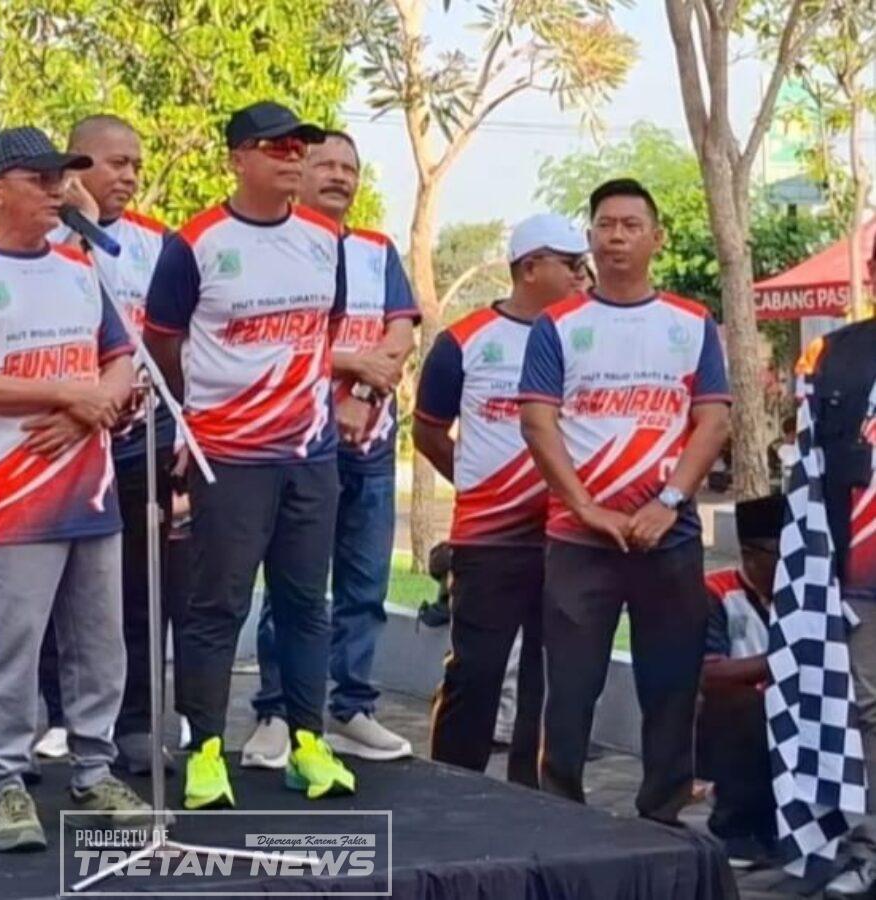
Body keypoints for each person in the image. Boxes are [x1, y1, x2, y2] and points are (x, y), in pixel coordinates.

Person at [0, 125, 150, 853]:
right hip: (11, 496)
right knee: (11, 647)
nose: (59, 190)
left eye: (63, 177)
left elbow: (120, 358)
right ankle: (4, 779)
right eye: (42, 178)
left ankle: (94, 770)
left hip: (90, 489)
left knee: (100, 641)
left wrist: (92, 404)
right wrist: (67, 395)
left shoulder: (81, 269)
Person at [144, 100, 356, 809]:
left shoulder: (325, 238)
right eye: (276, 147)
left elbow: (326, 329)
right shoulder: (195, 243)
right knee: (218, 604)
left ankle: (308, 742)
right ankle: (205, 750)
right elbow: (163, 340)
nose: (293, 157)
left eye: (300, 146)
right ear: (237, 159)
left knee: (306, 602)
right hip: (227, 457)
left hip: (310, 453)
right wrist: (197, 417)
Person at [518, 178, 732, 824]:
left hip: (668, 537)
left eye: (631, 225)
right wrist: (585, 507)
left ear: (656, 238)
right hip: (579, 541)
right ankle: (562, 816)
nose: (617, 237)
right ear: (589, 237)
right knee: (570, 688)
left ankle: (662, 816)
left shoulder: (691, 323)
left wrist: (669, 501)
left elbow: (714, 420)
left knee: (671, 687)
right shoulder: (558, 326)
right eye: (605, 225)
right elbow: (537, 422)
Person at [244, 130, 417, 766]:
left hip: (369, 441)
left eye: (350, 167)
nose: (340, 176)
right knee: (293, 585)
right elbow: (270, 340)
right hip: (294, 438)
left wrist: (364, 392)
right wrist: (348, 365)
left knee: (364, 583)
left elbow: (400, 333)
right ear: (301, 172)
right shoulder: (273, 247)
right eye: (327, 165)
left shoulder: (377, 250)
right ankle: (278, 712)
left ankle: (352, 709)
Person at [414, 213, 588, 788]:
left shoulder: (582, 337)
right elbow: (428, 431)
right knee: (477, 669)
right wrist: (480, 486)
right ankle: (453, 785)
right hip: (488, 538)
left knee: (550, 673)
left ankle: (533, 792)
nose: (582, 276)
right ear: (530, 267)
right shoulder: (463, 342)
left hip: (566, 533)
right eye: (571, 264)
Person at [53, 113, 179, 773]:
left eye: (136, 165)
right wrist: (76, 225)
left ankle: (133, 724)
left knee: (136, 591)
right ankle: (54, 717)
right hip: (57, 443)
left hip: (138, 443)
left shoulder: (160, 245)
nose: (129, 176)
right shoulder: (39, 241)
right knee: (49, 588)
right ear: (74, 168)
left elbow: (176, 340)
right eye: (115, 163)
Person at [805, 236, 876, 899]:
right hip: (859, 563)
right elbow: (810, 460)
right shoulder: (838, 352)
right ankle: (867, 848)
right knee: (865, 707)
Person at [697, 495, 783, 868]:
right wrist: (783, 662)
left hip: (793, 711)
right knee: (743, 704)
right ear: (750, 554)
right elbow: (708, 674)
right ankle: (735, 827)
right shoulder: (714, 592)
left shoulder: (808, 597)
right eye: (781, 554)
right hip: (728, 721)